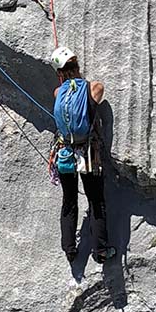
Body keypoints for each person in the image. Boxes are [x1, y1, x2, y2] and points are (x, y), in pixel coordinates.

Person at [50, 46, 116, 265]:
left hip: (65, 152)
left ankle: (69, 249)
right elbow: (98, 90)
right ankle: (101, 251)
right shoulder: (93, 88)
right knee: (96, 201)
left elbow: (64, 93)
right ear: (78, 67)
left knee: (69, 200)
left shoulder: (57, 93)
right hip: (87, 154)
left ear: (59, 74)